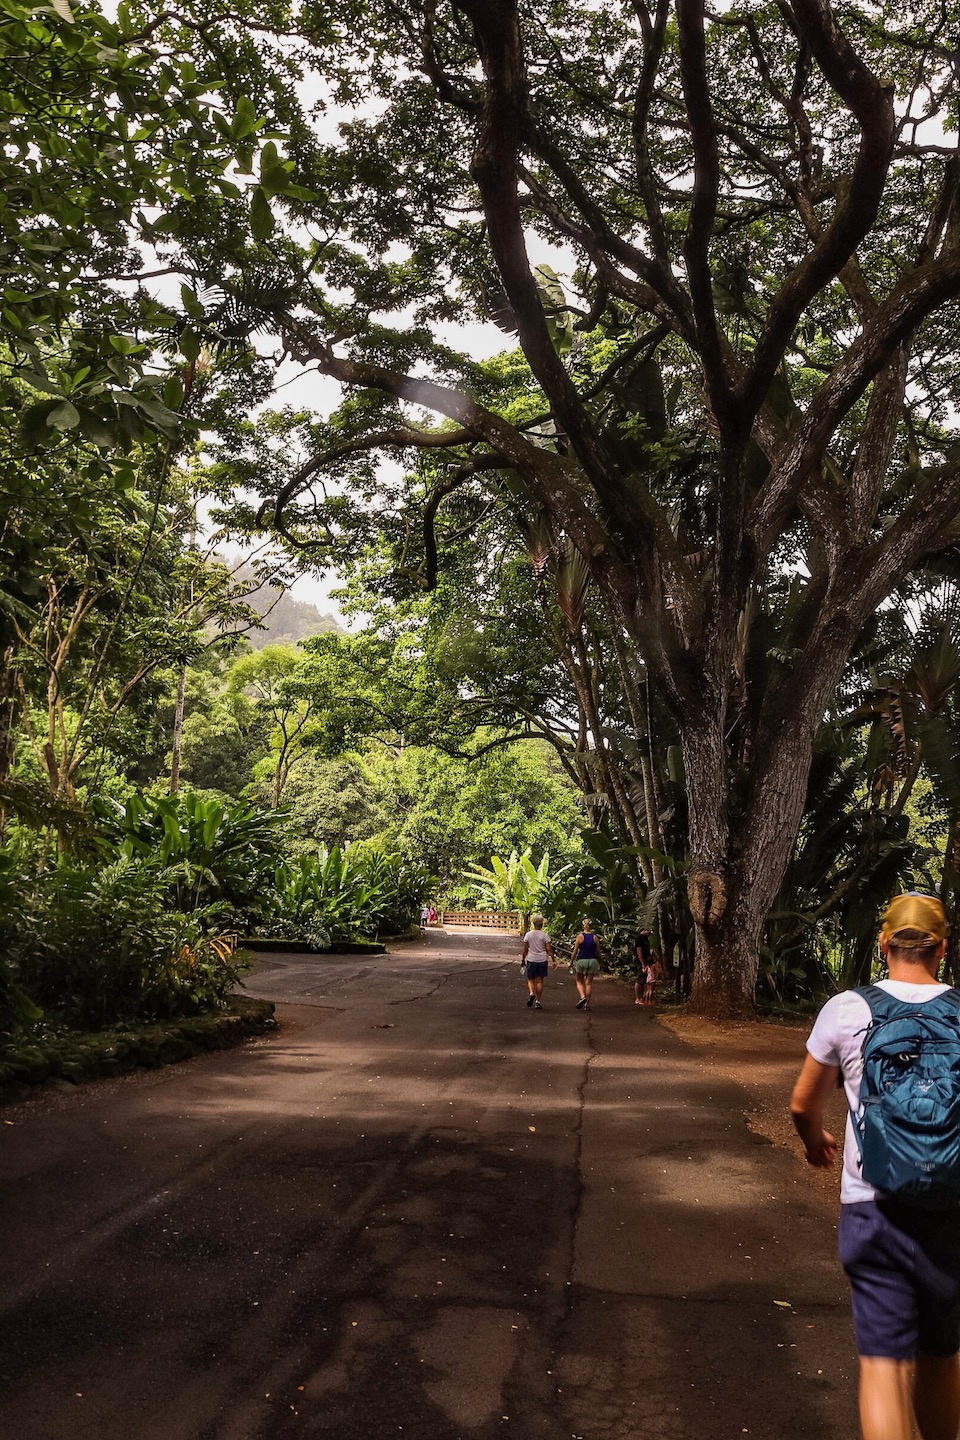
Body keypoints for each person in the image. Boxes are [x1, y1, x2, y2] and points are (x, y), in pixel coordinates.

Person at [790, 893, 960, 1440]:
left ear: (883, 943)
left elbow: (802, 1102)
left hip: (872, 1205)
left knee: (884, 1362)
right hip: (951, 1208)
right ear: (944, 948)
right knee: (942, 1353)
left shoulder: (847, 1008)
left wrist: (815, 1141)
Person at [520, 915, 554, 1009]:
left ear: (533, 924)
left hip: (531, 959)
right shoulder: (544, 935)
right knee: (540, 981)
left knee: (530, 978)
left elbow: (526, 949)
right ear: (541, 925)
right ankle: (538, 1001)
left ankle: (531, 993)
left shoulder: (528, 935)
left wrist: (523, 959)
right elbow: (548, 948)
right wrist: (553, 960)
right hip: (542, 959)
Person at [570, 917, 600, 1010]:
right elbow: (598, 952)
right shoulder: (595, 937)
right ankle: (586, 1005)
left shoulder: (580, 937)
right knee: (589, 983)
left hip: (582, 960)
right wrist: (601, 961)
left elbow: (575, 952)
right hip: (592, 961)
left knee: (579, 981)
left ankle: (582, 997)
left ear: (583, 926)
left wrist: (571, 962)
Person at [634, 929, 652, 1005]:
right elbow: (639, 951)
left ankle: (641, 997)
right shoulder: (639, 938)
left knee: (644, 980)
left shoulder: (646, 938)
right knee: (640, 979)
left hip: (646, 960)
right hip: (641, 961)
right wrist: (643, 963)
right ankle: (638, 998)